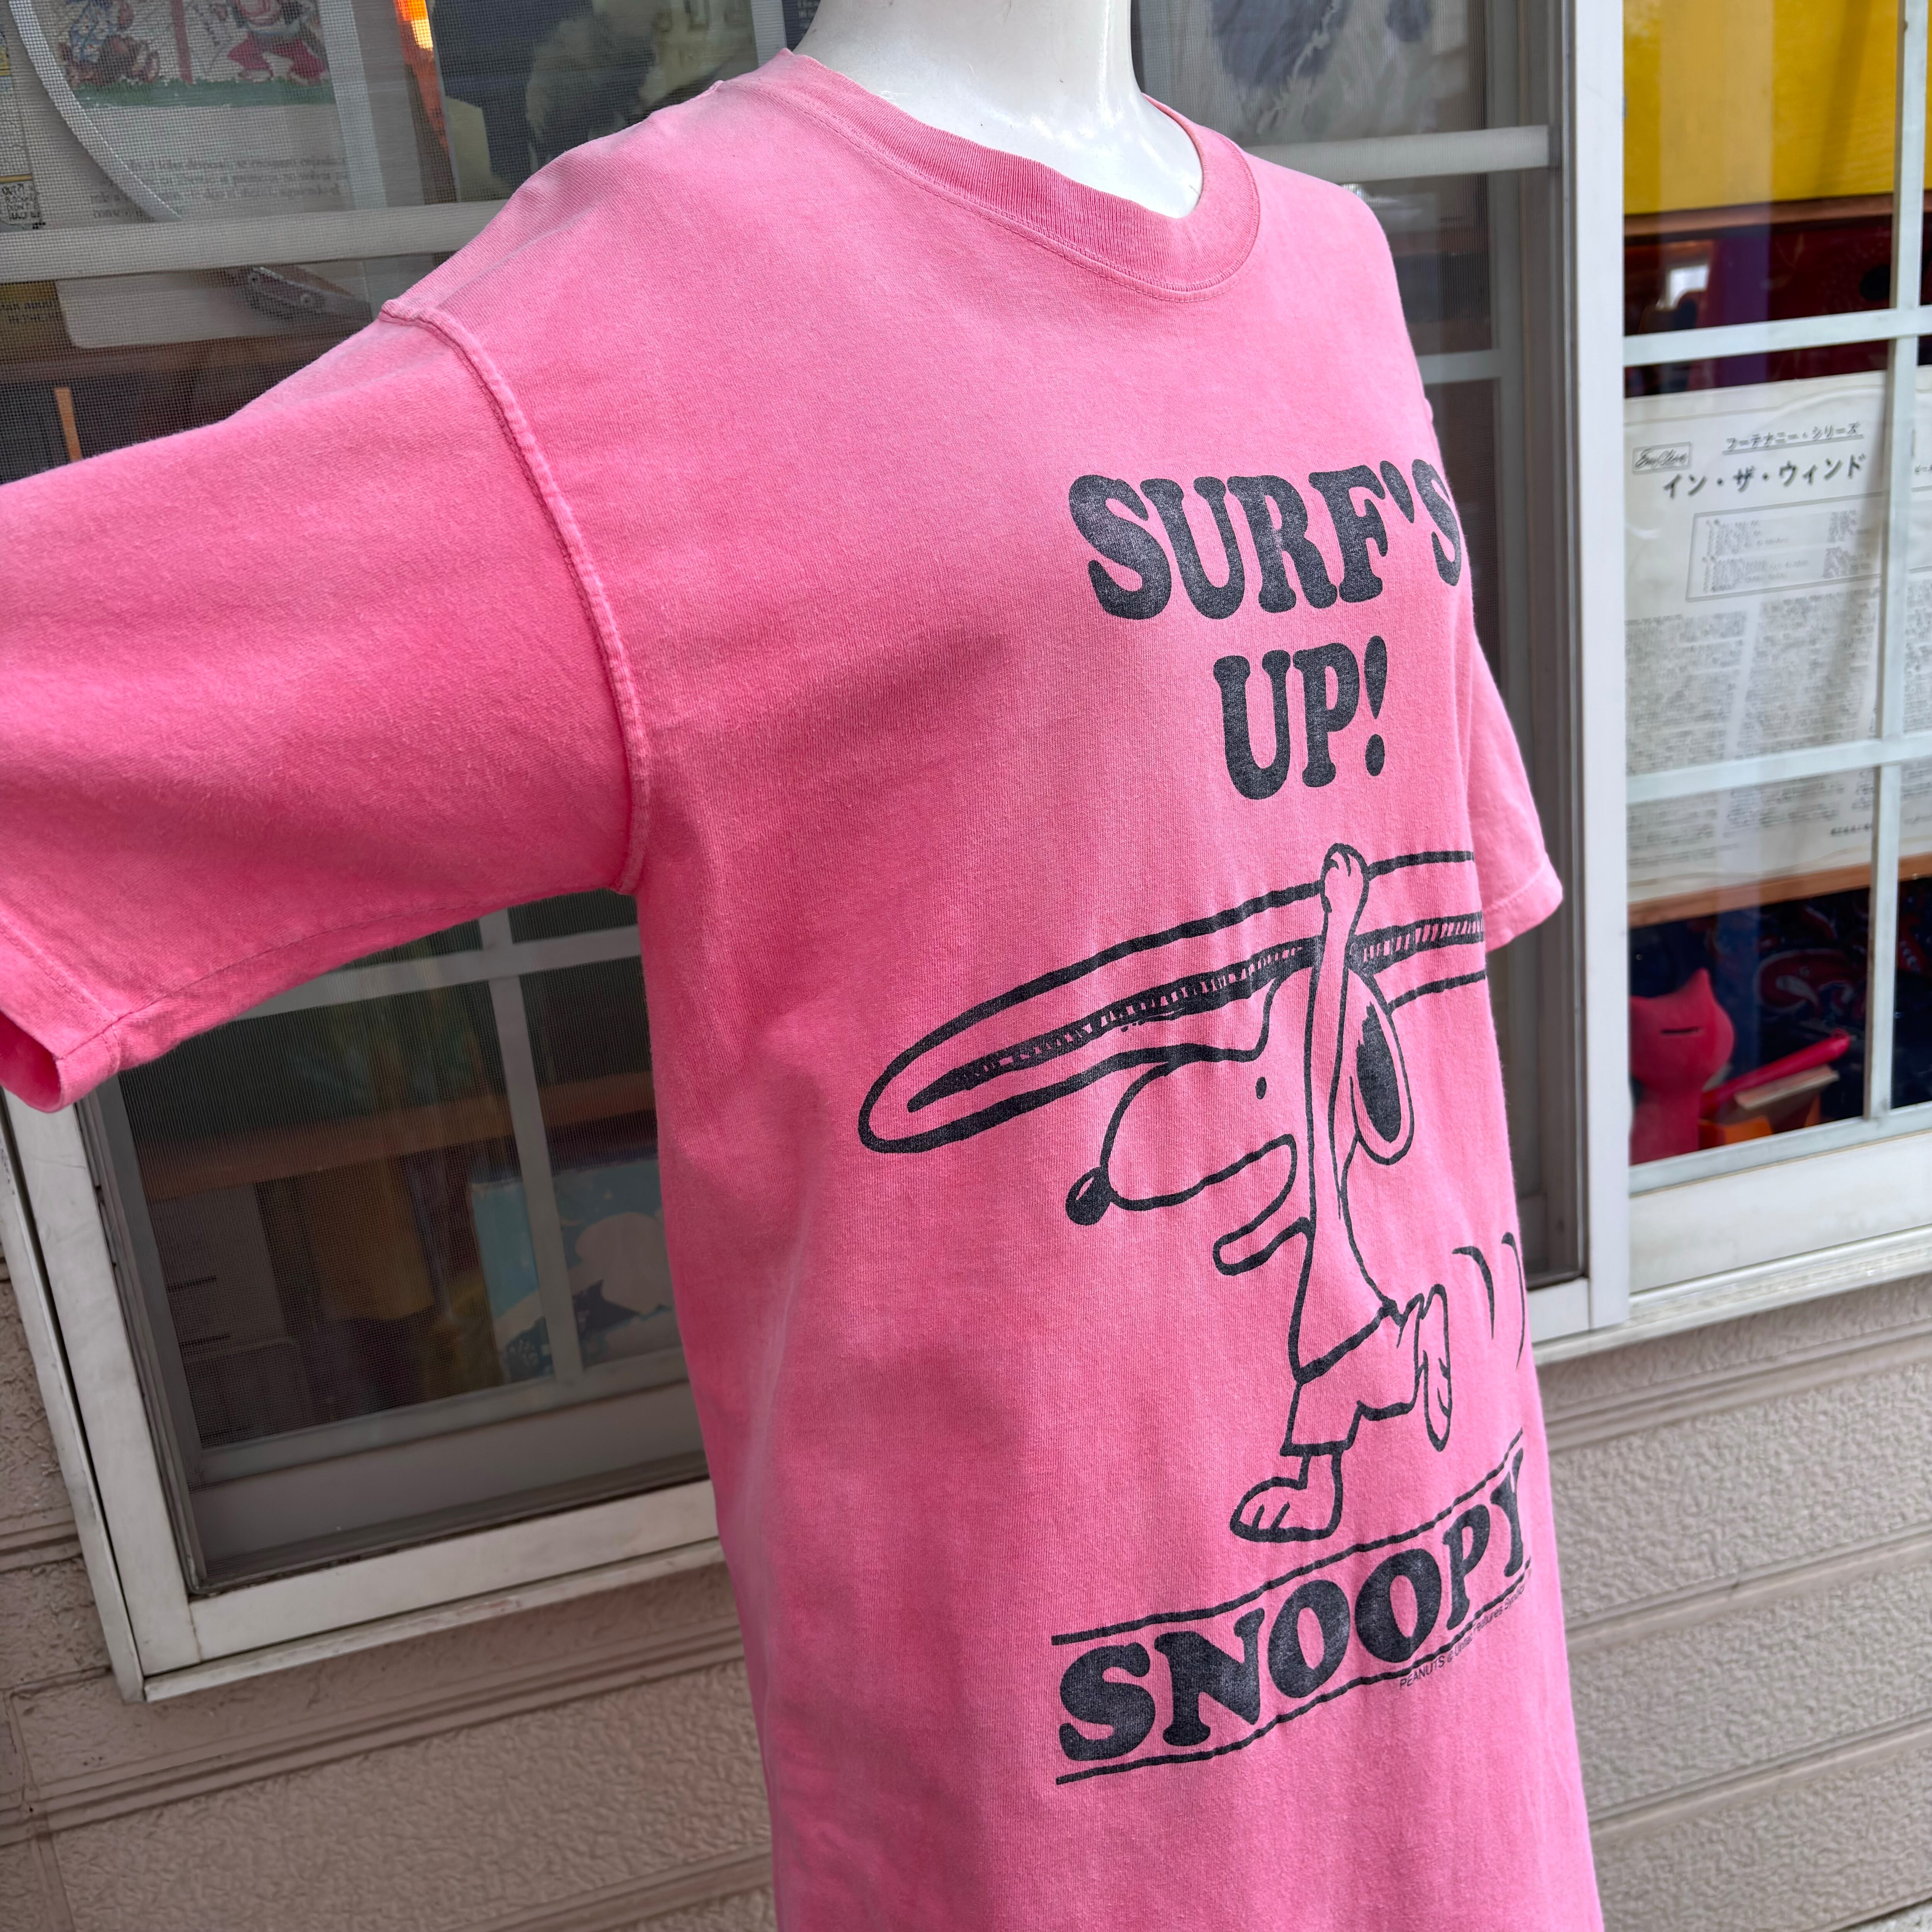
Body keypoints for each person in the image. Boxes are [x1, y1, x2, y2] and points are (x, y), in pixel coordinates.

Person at [0, 2, 1601, 1924]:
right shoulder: (667, 291)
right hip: (1060, 1773)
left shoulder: (1331, 267)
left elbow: (1421, 914)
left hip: (1458, 1649)